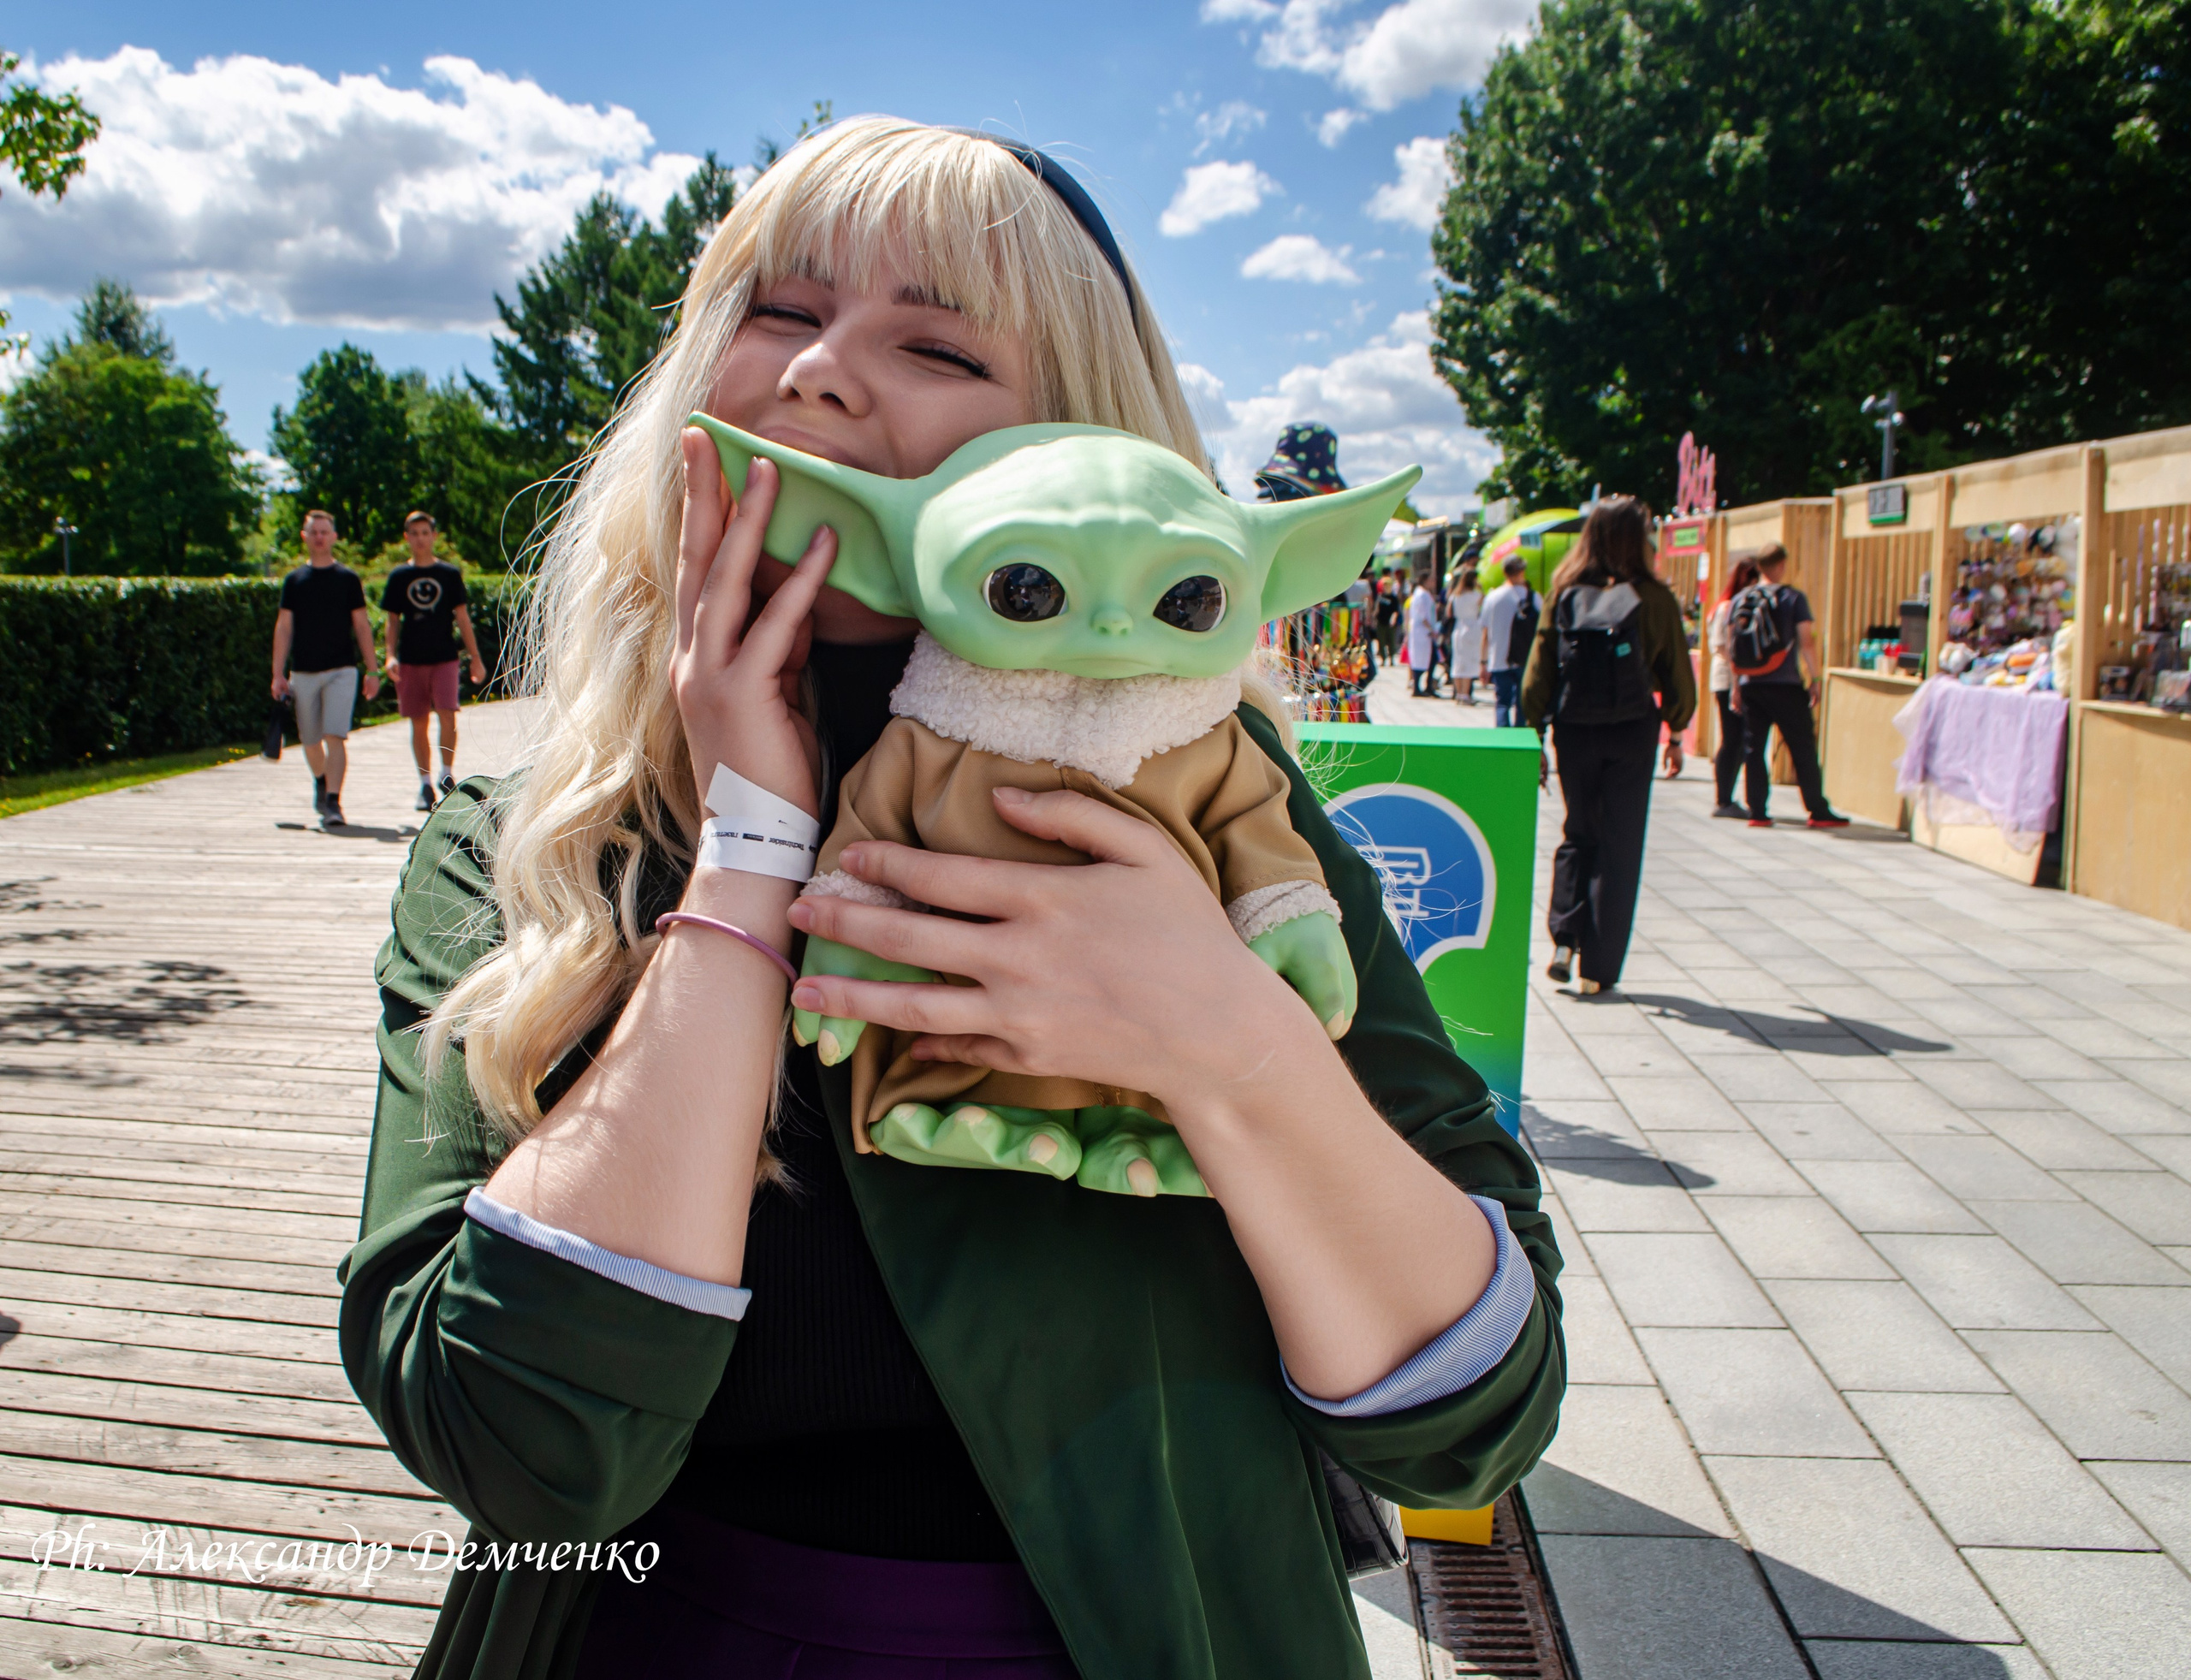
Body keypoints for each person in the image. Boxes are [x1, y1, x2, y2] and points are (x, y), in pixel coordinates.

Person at [338, 117, 1562, 1680]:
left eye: (935, 341)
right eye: (775, 312)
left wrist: (1226, 1043)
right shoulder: (531, 844)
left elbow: (1476, 1420)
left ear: (1084, 443)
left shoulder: (1214, 806)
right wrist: (749, 861)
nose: (825, 372)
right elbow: (512, 1447)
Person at [1521, 496, 1695, 994]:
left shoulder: (1565, 593)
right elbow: (1679, 680)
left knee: (1579, 831)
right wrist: (1676, 731)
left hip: (1574, 728)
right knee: (1620, 844)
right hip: (1632, 729)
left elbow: (1539, 674)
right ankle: (1599, 968)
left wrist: (1533, 732)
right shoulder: (1655, 598)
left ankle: (1563, 936)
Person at [270, 509, 379, 830]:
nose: (319, 537)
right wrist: (278, 673)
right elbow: (284, 628)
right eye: (313, 532)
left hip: (341, 671)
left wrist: (372, 671)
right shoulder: (294, 581)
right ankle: (321, 780)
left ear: (333, 537)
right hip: (303, 672)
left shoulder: (347, 579)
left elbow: (361, 626)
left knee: (335, 735)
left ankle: (333, 801)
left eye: (325, 532)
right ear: (305, 537)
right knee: (310, 739)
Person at [1731, 543, 1850, 828]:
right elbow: (1806, 641)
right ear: (1782, 565)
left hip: (1750, 685)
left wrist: (1737, 687)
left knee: (1753, 749)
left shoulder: (1740, 600)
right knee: (1802, 748)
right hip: (1786, 684)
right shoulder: (1793, 599)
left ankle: (1757, 811)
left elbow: (1733, 648)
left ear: (1759, 567)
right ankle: (1817, 810)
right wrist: (1815, 678)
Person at [382, 512, 489, 811]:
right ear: (407, 538)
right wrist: (390, 656)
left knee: (448, 715)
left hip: (445, 657)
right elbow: (392, 622)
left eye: (425, 532)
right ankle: (425, 782)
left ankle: (446, 773)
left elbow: (462, 618)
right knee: (418, 721)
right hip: (411, 660)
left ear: (434, 536)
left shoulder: (449, 575)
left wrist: (475, 658)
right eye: (414, 533)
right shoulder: (399, 577)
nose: (420, 538)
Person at [1707, 554, 1762, 817]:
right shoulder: (1727, 607)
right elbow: (1723, 647)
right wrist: (1737, 682)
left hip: (1735, 678)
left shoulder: (1738, 606)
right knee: (1732, 739)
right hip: (1727, 680)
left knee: (1738, 739)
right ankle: (1723, 799)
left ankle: (1726, 797)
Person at [1479, 554, 1536, 727]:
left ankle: (1502, 742)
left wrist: (1483, 662)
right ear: (1522, 571)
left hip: (1498, 658)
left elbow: (1485, 632)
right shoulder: (1533, 597)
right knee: (1522, 704)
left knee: (1502, 703)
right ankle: (1518, 742)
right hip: (1525, 658)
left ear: (1504, 572)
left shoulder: (1493, 597)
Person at [1448, 566, 1485, 705]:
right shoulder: (1476, 595)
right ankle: (1466, 693)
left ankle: (1459, 694)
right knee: (1470, 662)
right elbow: (1483, 605)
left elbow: (1449, 613)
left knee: (1458, 661)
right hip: (1472, 627)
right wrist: (1480, 588)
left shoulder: (1455, 595)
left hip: (1458, 627)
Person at [1405, 572, 1440, 696]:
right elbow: (1422, 615)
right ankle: (1418, 687)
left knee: (1430, 658)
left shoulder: (1425, 594)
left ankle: (1427, 685)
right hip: (1422, 631)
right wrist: (1431, 629)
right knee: (1422, 659)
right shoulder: (1421, 595)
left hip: (1425, 632)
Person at [1374, 573, 1402, 662]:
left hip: (1390, 623)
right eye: (1384, 585)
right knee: (1381, 641)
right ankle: (1383, 658)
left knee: (1391, 642)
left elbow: (1396, 610)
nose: (1385, 587)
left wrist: (1393, 619)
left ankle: (1392, 658)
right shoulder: (1380, 596)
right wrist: (1373, 617)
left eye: (1387, 585)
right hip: (1381, 621)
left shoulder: (1394, 598)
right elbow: (1377, 609)